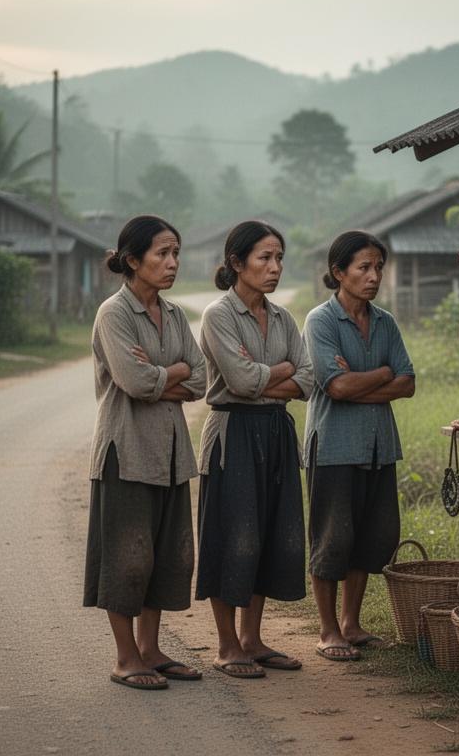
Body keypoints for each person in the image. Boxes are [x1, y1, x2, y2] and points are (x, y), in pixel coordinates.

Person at [84, 215, 206, 690]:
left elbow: (200, 379)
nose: (172, 262)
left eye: (176, 253)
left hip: (172, 451)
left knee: (165, 556)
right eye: (162, 253)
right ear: (132, 260)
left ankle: (152, 650)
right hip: (126, 451)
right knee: (128, 556)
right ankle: (125, 657)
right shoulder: (113, 314)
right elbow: (131, 383)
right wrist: (170, 373)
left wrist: (162, 374)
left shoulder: (175, 315)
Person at [195, 220, 314, 678]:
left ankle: (253, 639)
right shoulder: (219, 315)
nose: (275, 267)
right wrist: (279, 372)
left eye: (279, 258)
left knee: (268, 533)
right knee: (234, 536)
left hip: (276, 431)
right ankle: (227, 646)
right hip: (233, 434)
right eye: (265, 258)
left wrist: (269, 375)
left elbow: (307, 379)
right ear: (236, 263)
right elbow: (240, 384)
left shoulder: (283, 317)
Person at [303, 231, 415, 661]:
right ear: (339, 272)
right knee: (332, 538)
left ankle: (351, 623)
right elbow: (336, 386)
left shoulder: (385, 322)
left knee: (375, 536)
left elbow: (408, 383)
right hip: (333, 446)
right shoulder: (321, 320)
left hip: (378, 445)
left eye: (378, 267)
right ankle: (328, 629)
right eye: (363, 267)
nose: (374, 276)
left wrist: (367, 381)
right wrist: (382, 373)